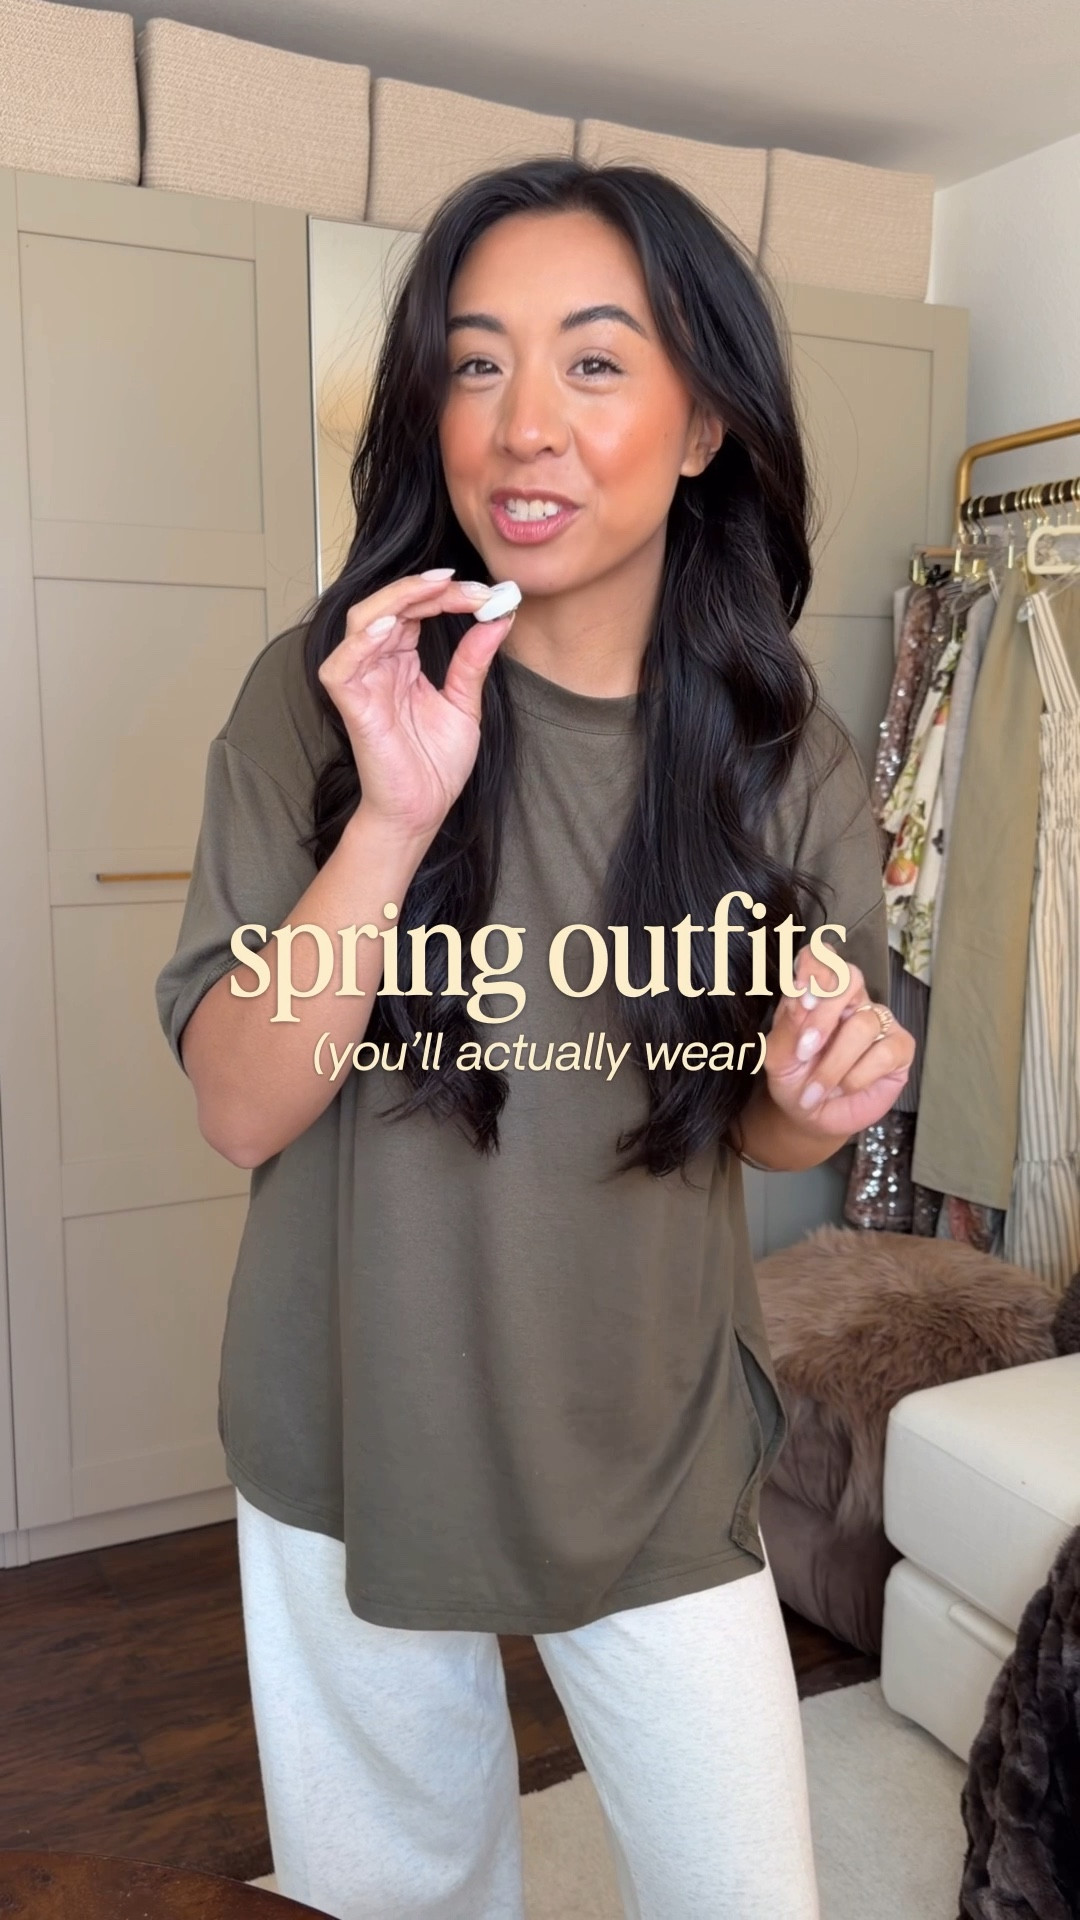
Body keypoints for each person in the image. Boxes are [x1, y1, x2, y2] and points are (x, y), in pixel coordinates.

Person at [156, 157, 913, 1920]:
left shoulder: (784, 761)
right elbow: (240, 1106)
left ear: (703, 422)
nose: (523, 427)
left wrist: (814, 1099)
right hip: (354, 1421)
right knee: (395, 1898)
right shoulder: (322, 700)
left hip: (648, 1434)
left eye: (592, 361)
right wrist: (392, 817)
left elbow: (762, 1126)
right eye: (475, 363)